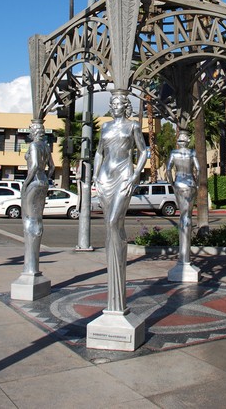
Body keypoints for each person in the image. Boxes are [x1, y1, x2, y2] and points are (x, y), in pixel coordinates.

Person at [93, 92, 147, 313]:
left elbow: (144, 151)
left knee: (116, 222)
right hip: (105, 176)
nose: (115, 106)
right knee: (108, 226)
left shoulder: (132, 126)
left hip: (124, 174)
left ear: (126, 105)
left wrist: (136, 175)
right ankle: (113, 275)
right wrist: (95, 174)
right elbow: (98, 153)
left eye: (119, 103)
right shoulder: (105, 128)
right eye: (112, 103)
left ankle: (118, 270)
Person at [21, 120, 55, 275]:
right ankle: (32, 265)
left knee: (29, 219)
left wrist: (25, 184)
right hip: (43, 181)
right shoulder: (46, 147)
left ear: (33, 132)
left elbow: (34, 166)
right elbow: (52, 167)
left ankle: (30, 267)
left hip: (34, 181)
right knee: (38, 219)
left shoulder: (34, 146)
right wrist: (46, 178)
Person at [166, 131, 200, 265]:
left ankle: (184, 257)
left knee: (183, 216)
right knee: (188, 216)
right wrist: (196, 183)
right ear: (187, 141)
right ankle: (185, 256)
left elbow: (168, 169)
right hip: (190, 183)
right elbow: (199, 168)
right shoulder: (192, 153)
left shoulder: (174, 153)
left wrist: (171, 183)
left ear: (179, 142)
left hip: (179, 183)